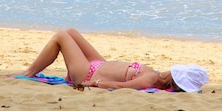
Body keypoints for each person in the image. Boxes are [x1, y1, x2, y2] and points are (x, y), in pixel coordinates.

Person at [16, 27, 208, 92]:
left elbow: (121, 87)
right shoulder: (156, 74)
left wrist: (95, 83)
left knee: (61, 36)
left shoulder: (152, 80)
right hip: (97, 63)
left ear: (172, 80)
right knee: (71, 32)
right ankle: (29, 72)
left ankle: (29, 73)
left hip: (88, 72)